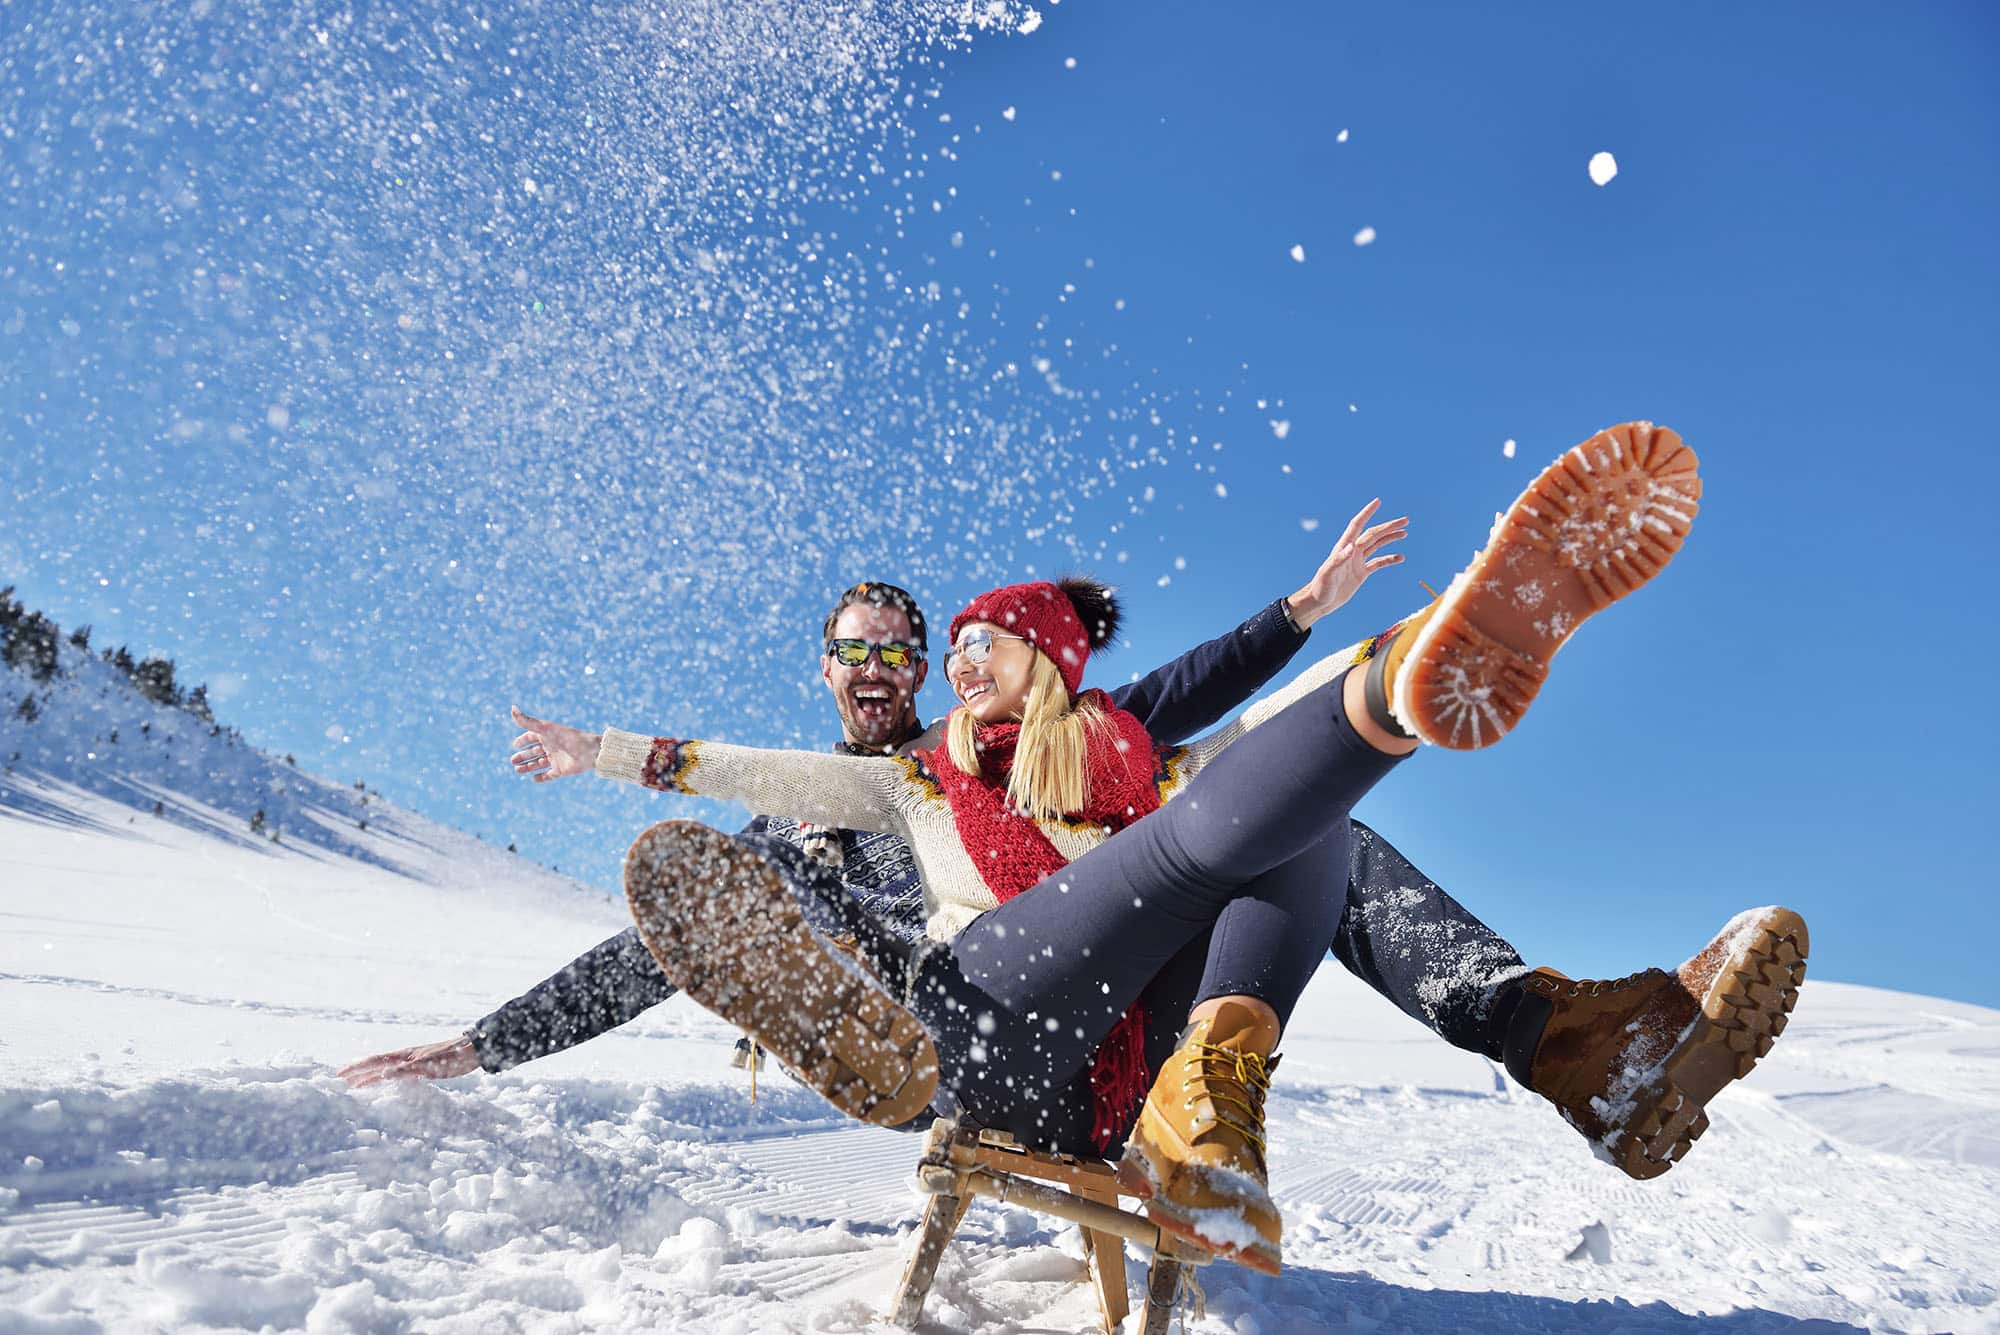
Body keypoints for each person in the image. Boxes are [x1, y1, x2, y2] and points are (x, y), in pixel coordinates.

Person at [506, 423, 1810, 1275]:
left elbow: (1191, 684)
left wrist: (1299, 609)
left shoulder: (1097, 747)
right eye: (875, 650)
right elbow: (696, 891)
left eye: (925, 646)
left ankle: (1574, 1044)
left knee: (1301, 833)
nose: (901, 666)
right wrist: (604, 763)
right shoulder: (890, 779)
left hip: (1115, 1056)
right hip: (971, 1023)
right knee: (1209, 831)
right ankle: (1404, 678)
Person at [344, 542, 1524, 1099]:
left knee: (1312, 826)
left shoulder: (987, 748)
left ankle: (1521, 1016)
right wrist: (485, 1043)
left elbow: (1159, 701)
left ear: (918, 669)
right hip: (943, 1018)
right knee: (766, 883)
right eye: (848, 650)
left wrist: (1297, 614)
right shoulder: (802, 829)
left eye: (894, 650)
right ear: (822, 670)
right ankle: (860, 1017)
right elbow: (661, 944)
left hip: (1072, 972)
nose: (873, 666)